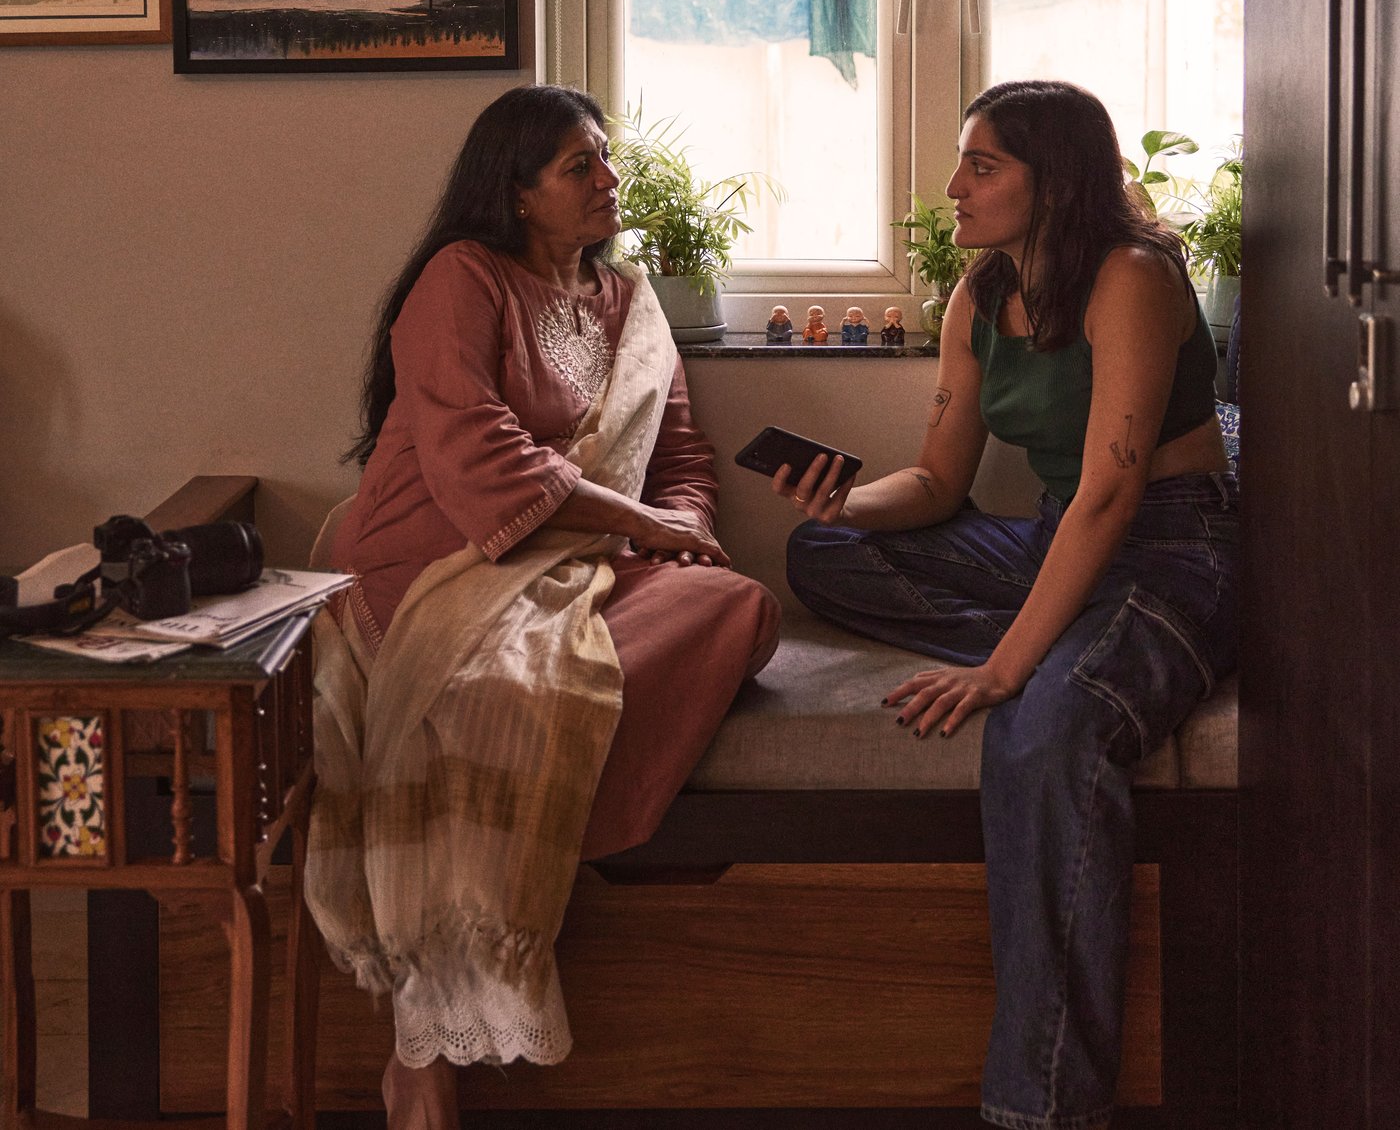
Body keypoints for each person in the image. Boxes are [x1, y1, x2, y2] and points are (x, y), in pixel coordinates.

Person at [306, 85, 780, 1130]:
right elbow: (483, 459)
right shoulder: (461, 279)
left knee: (736, 605)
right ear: (516, 193)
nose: (609, 182)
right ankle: (422, 1031)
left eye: (605, 162)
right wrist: (645, 529)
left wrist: (684, 531)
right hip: (437, 559)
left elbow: (681, 457)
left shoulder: (623, 303)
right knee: (496, 687)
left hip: (590, 559)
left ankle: (563, 836)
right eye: (581, 166)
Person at [776, 80, 1236, 1130]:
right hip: (1053, 542)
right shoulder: (981, 294)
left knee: (1037, 742)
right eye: (959, 162)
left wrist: (1002, 669)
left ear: (1055, 177)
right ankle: (1075, 639)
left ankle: (1039, 1111)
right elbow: (938, 483)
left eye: (981, 166)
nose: (951, 188)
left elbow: (1113, 490)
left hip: (1169, 549)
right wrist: (847, 500)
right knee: (821, 553)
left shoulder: (1130, 274)